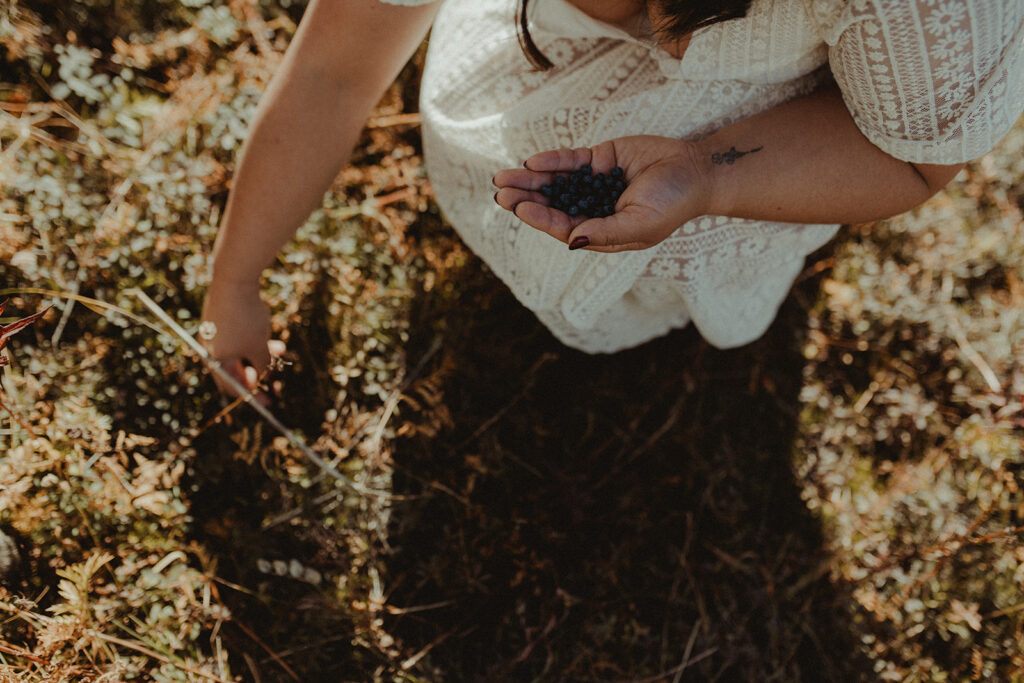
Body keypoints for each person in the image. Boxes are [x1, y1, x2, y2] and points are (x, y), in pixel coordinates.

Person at [201, 0, 1024, 399]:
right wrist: (235, 279)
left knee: (668, 265)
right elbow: (328, 72)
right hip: (528, 65)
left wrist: (712, 173)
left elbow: (912, 162)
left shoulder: (931, 10)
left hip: (774, 142)